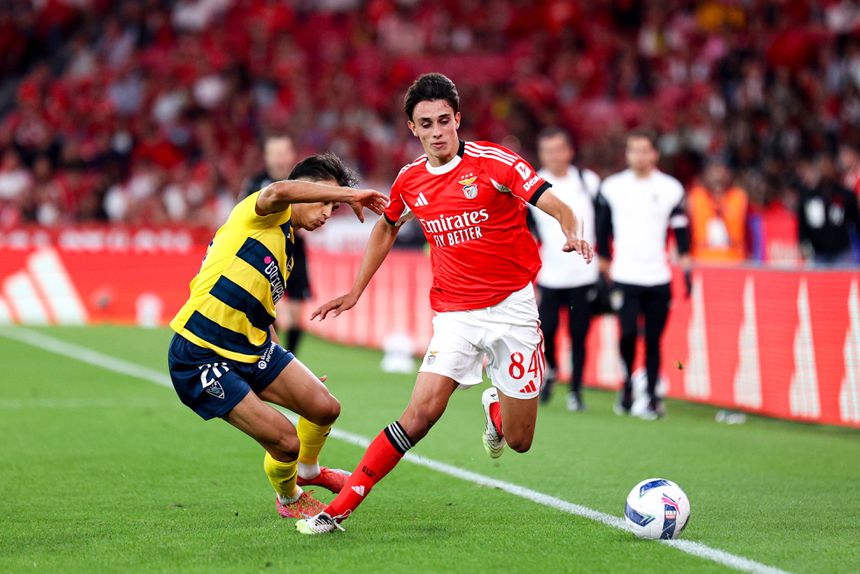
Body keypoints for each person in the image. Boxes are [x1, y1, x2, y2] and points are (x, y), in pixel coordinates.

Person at [296, 73, 593, 535]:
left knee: (519, 441)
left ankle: (496, 406)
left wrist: (571, 229)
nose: (436, 131)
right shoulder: (410, 180)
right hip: (454, 315)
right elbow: (387, 226)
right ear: (412, 129)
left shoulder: (494, 163)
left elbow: (553, 202)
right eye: (425, 124)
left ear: (458, 119)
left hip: (513, 310)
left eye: (443, 121)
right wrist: (356, 290)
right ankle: (339, 510)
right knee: (419, 416)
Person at [167, 153, 389, 519]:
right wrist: (353, 195)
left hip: (250, 349)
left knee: (325, 407)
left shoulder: (286, 251)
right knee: (287, 442)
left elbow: (262, 312)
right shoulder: (263, 211)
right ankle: (289, 497)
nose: (327, 214)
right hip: (200, 353)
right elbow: (281, 189)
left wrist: (287, 368)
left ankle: (310, 471)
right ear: (304, 191)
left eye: (334, 208)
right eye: (325, 202)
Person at [596, 129, 691, 420]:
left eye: (644, 150)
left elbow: (682, 230)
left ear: (655, 154)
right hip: (625, 274)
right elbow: (602, 228)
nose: (639, 155)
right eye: (634, 150)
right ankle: (627, 382)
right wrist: (604, 264)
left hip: (658, 276)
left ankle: (650, 395)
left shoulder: (671, 188)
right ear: (627, 154)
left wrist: (686, 267)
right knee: (626, 334)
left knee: (653, 339)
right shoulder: (612, 187)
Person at [528, 127, 601, 412]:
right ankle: (552, 371)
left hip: (583, 274)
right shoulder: (533, 184)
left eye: (559, 149)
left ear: (569, 151)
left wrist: (604, 257)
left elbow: (603, 221)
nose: (554, 156)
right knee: (548, 331)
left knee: (579, 334)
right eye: (547, 151)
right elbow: (527, 229)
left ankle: (577, 390)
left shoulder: (588, 182)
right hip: (550, 274)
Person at [242, 135, 312, 354]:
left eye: (284, 153)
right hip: (267, 255)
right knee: (277, 316)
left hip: (295, 252)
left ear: (292, 155)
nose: (280, 159)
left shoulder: (304, 183)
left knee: (296, 317)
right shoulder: (255, 185)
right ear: (267, 157)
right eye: (276, 153)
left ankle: (291, 361)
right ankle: (274, 362)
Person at [796, 154, 859, 266]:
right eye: (822, 167)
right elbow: (802, 225)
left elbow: (856, 221)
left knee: (842, 282)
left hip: (842, 252)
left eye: (828, 167)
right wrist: (803, 243)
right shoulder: (808, 196)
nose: (825, 171)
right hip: (818, 254)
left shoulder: (845, 195)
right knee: (818, 282)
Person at [687, 160, 749, 263]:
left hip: (734, 263)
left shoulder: (739, 197)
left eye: (722, 170)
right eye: (713, 170)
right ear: (705, 173)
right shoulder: (695, 197)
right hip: (701, 262)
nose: (717, 175)